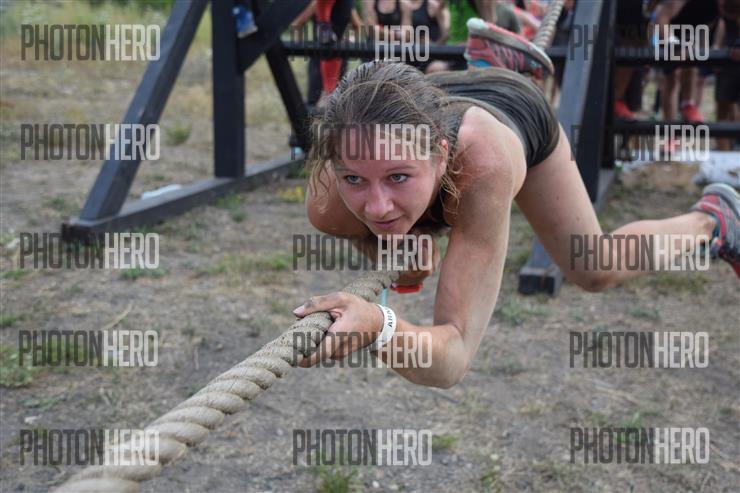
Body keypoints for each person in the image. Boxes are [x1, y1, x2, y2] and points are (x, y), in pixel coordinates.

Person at [294, 61, 739, 385]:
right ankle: (486, 60)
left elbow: (453, 356)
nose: (376, 208)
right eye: (354, 180)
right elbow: (373, 216)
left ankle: (713, 219)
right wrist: (388, 251)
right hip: (426, 100)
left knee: (595, 267)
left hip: (514, 110)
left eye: (398, 178)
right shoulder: (329, 200)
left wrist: (380, 326)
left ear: (441, 156)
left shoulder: (482, 167)